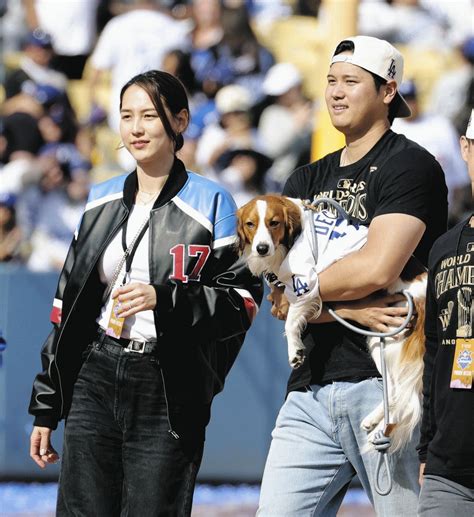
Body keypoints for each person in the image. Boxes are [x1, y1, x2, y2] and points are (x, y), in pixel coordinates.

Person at [28, 70, 262, 516]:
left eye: (150, 116)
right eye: (126, 116)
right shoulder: (99, 198)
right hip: (93, 373)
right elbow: (67, 308)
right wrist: (48, 404)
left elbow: (243, 303)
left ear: (179, 121)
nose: (136, 128)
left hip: (167, 384)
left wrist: (165, 298)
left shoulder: (213, 202)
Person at [258, 35, 448, 516]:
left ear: (388, 91)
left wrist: (310, 300)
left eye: (350, 81)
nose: (336, 92)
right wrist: (351, 308)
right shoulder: (303, 180)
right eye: (330, 81)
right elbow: (280, 301)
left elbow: (378, 266)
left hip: (385, 385)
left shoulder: (411, 166)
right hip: (308, 391)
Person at [417, 110, 474, 516]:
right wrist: (427, 445)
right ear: (466, 150)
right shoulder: (445, 247)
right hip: (449, 469)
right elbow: (434, 352)